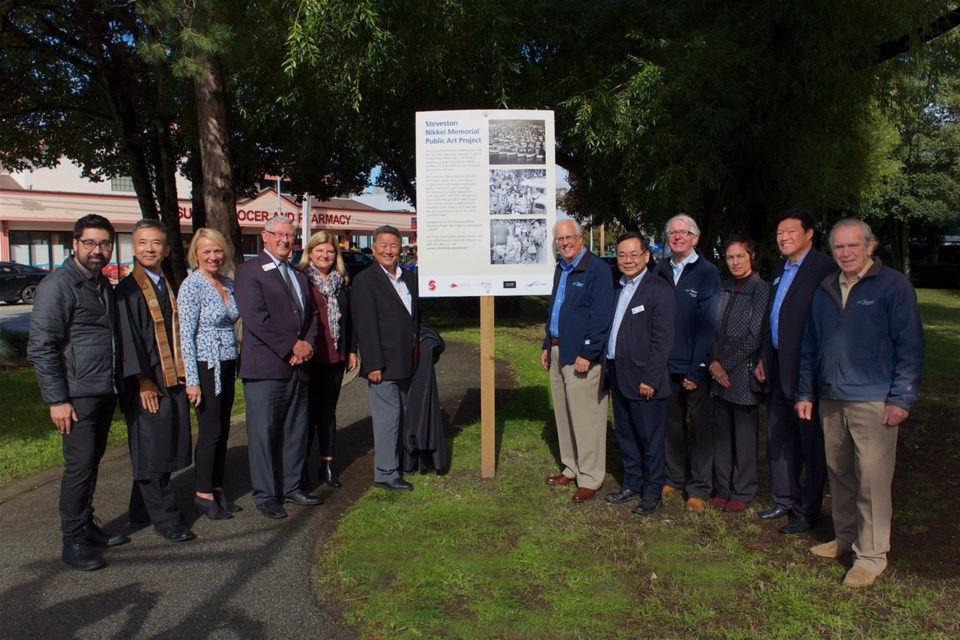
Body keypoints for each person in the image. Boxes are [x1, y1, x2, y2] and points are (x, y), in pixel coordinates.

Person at [796, 218, 924, 588]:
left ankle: (870, 556)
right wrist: (805, 392)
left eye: (854, 246)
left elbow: (910, 346)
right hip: (831, 397)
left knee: (872, 480)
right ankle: (846, 538)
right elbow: (809, 346)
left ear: (870, 246)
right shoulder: (825, 288)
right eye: (839, 247)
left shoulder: (892, 286)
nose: (846, 253)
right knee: (841, 474)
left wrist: (901, 398)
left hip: (874, 400)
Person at [27, 214, 129, 571]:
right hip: (77, 394)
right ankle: (73, 541)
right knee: (79, 467)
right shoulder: (60, 285)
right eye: (90, 243)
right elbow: (42, 346)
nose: (97, 251)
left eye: (104, 244)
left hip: (103, 389)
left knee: (91, 462)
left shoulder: (100, 283)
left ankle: (86, 525)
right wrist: (57, 400)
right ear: (75, 244)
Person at [755, 208, 837, 534]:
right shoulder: (779, 269)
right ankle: (784, 498)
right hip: (775, 367)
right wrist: (764, 357)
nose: (784, 237)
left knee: (810, 443)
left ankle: (808, 508)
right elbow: (771, 319)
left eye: (790, 231)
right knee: (780, 439)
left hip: (806, 372)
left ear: (809, 233)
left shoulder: (824, 269)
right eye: (779, 232)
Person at [235, 215, 321, 518]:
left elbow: (311, 316)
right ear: (266, 236)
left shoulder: (299, 275)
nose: (286, 240)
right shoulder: (249, 271)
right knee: (264, 433)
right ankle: (266, 494)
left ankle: (293, 486)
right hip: (266, 368)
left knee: (295, 431)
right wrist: (290, 347)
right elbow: (256, 318)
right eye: (280, 234)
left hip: (299, 366)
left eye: (290, 235)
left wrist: (307, 344)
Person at [115, 219, 195, 542]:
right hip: (146, 383)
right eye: (143, 243)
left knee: (162, 443)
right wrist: (143, 382)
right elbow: (127, 340)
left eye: (156, 243)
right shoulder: (126, 290)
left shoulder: (166, 282)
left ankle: (139, 510)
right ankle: (167, 519)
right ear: (133, 248)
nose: (150, 249)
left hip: (170, 376)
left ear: (167, 249)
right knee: (151, 448)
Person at [541, 219, 614, 503]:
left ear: (581, 238)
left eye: (569, 237)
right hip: (559, 350)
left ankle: (590, 477)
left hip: (581, 356)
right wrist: (547, 343)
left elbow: (600, 315)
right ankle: (571, 467)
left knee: (586, 419)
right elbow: (554, 309)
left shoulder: (597, 270)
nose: (565, 243)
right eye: (560, 239)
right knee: (564, 415)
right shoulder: (562, 269)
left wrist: (589, 352)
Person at [604, 232, 675, 515]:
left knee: (650, 438)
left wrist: (651, 378)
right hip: (618, 374)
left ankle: (652, 490)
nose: (628, 260)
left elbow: (663, 339)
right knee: (626, 434)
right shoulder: (617, 288)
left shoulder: (658, 289)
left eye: (634, 254)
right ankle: (632, 483)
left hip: (645, 379)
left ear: (646, 256)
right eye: (622, 255)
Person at [654, 214, 720, 512]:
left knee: (701, 428)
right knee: (672, 424)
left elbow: (708, 324)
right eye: (673, 232)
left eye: (684, 232)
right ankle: (675, 477)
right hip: (666, 364)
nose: (677, 237)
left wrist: (697, 369)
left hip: (695, 366)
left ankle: (700, 488)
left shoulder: (707, 272)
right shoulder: (661, 270)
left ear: (695, 237)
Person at [351, 225, 421, 491]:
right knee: (387, 419)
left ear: (400, 249)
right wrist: (373, 364)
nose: (388, 250)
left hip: (407, 359)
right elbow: (365, 326)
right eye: (383, 245)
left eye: (393, 246)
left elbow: (414, 318)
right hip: (383, 363)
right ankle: (385, 473)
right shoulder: (365, 280)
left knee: (402, 414)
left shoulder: (409, 278)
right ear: (374, 249)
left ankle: (399, 463)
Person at [178, 228, 241, 520]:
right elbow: (185, 337)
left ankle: (217, 487)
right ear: (196, 254)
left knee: (223, 430)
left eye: (217, 250)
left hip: (228, 362)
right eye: (207, 252)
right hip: (206, 364)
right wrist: (192, 380)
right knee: (210, 432)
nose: (213, 256)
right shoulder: (192, 285)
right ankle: (202, 493)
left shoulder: (227, 283)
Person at [707, 235, 770, 513]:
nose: (734, 262)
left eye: (740, 257)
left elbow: (754, 335)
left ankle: (743, 490)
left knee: (743, 436)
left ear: (752, 257)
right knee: (721, 434)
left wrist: (725, 365)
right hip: (718, 371)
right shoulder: (724, 287)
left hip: (741, 374)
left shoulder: (761, 289)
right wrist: (713, 363)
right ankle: (723, 487)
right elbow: (710, 326)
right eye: (730, 257)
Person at [297, 230, 358, 489]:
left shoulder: (341, 282)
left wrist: (352, 349)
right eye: (319, 250)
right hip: (309, 356)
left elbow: (350, 319)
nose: (325, 255)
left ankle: (327, 463)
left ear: (336, 255)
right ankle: (300, 467)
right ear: (310, 252)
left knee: (328, 412)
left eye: (330, 251)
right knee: (307, 414)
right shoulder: (300, 280)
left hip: (334, 355)